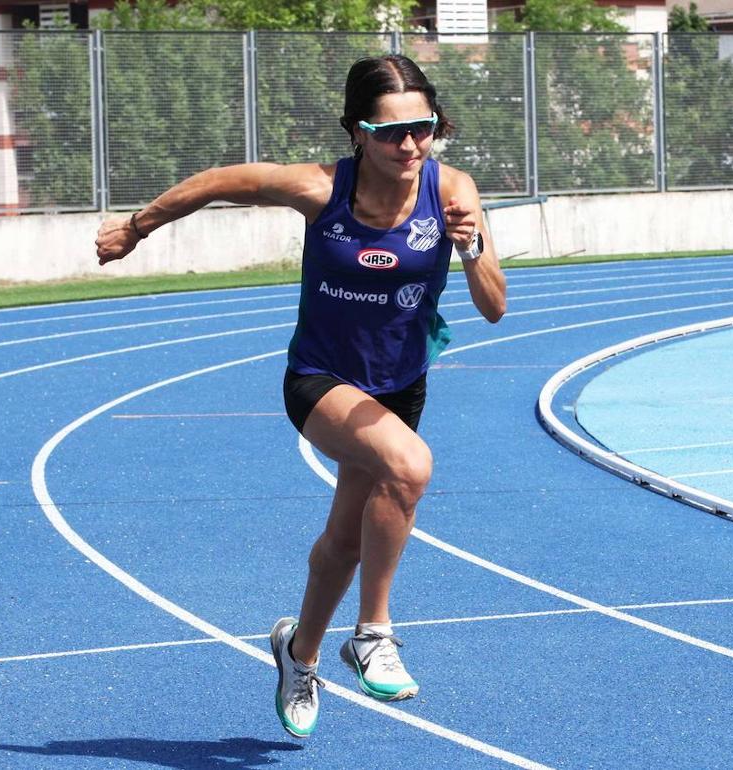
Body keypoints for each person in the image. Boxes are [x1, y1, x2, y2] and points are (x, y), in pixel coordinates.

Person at [94, 54, 507, 738]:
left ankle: (299, 653)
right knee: (409, 467)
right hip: (320, 381)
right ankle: (372, 633)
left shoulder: (454, 191)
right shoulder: (320, 190)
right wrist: (137, 227)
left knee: (345, 541)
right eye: (390, 132)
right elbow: (220, 181)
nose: (409, 146)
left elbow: (493, 308)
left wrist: (471, 247)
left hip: (398, 387)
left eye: (424, 129)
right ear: (357, 131)